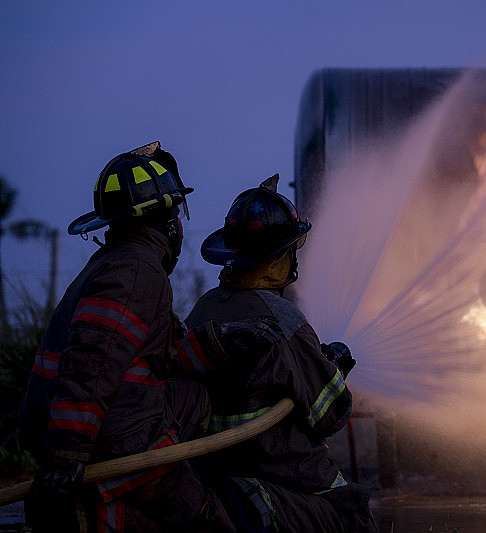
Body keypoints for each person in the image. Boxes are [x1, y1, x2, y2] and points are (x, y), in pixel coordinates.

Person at [19, 142, 278, 533]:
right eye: (176, 213)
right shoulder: (136, 272)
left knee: (196, 399)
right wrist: (68, 454)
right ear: (167, 220)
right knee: (205, 518)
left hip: (93, 427)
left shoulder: (116, 262)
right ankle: (93, 518)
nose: (180, 225)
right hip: (116, 440)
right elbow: (93, 361)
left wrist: (222, 340)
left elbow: (160, 353)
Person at [184, 175, 377, 532]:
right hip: (280, 473)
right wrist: (333, 369)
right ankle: (266, 507)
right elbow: (328, 415)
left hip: (213, 475)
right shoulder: (283, 320)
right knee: (354, 517)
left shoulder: (203, 309)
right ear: (281, 255)